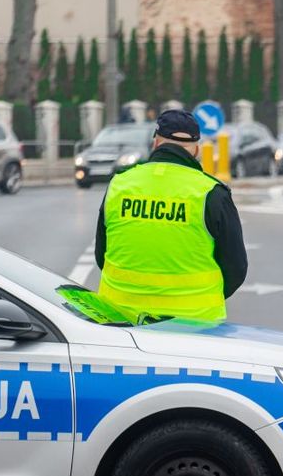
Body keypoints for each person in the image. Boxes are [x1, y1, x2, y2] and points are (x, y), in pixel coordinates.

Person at [94, 109, 247, 323]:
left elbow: (101, 255)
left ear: (156, 143)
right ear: (196, 151)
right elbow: (236, 268)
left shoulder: (119, 185)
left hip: (121, 323)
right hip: (195, 327)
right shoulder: (211, 193)